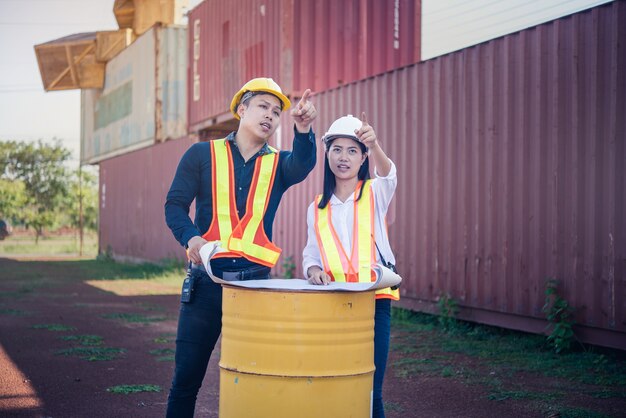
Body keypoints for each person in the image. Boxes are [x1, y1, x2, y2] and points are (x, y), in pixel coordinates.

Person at [164, 77, 318, 417]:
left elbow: (305, 163)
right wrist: (191, 239)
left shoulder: (281, 164)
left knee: (253, 380)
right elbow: (174, 205)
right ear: (242, 109)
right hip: (206, 284)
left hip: (254, 287)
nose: (270, 115)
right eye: (263, 106)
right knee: (186, 380)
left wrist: (304, 130)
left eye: (277, 112)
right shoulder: (201, 154)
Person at [302, 113, 399, 418]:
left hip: (374, 302)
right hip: (335, 304)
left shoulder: (374, 192)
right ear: (327, 153)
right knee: (338, 386)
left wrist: (376, 144)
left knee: (371, 390)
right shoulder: (316, 207)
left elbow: (389, 174)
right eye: (337, 149)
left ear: (363, 157)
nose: (344, 158)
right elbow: (311, 254)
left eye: (353, 150)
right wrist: (313, 271)